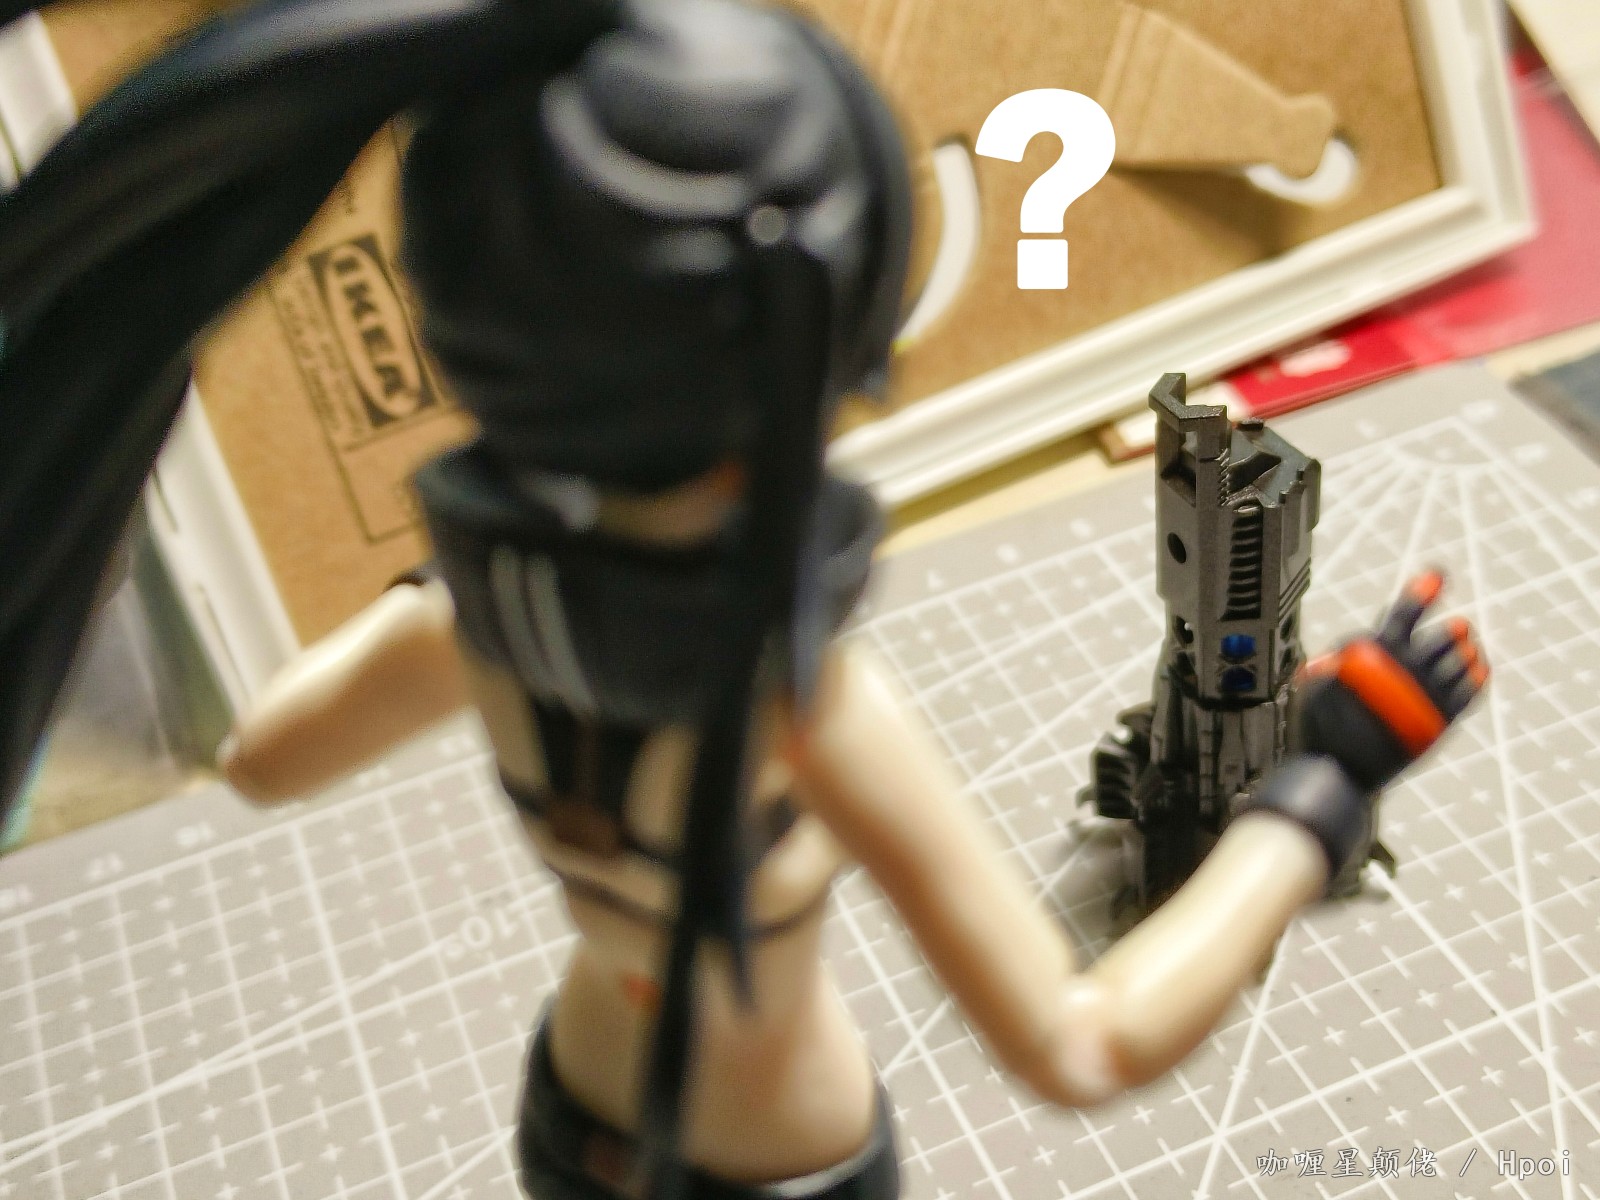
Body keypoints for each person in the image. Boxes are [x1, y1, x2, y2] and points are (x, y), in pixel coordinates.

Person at [0, 0, 1486, 1197]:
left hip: (576, 1118)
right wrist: (1321, 788)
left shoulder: (472, 629)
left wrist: (462, 574)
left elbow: (261, 760)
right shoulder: (804, 703)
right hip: (775, 1161)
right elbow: (1083, 1045)